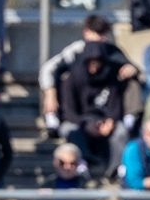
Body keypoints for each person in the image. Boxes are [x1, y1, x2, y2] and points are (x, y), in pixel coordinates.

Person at [38, 15, 137, 134]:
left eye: (103, 34)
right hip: (76, 97)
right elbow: (48, 69)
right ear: (86, 33)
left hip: (105, 97)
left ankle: (130, 120)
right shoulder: (76, 50)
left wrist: (130, 68)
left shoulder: (111, 50)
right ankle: (52, 120)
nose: (101, 39)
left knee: (132, 83)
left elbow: (130, 65)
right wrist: (50, 93)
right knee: (57, 80)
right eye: (97, 33)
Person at [56, 39, 132, 179]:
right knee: (68, 129)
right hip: (81, 121)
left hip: (105, 121)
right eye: (90, 62)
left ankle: (116, 170)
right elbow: (68, 111)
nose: (94, 66)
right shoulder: (72, 79)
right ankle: (82, 166)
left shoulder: (111, 78)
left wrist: (111, 121)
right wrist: (88, 125)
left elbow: (116, 105)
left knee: (121, 131)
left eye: (97, 62)